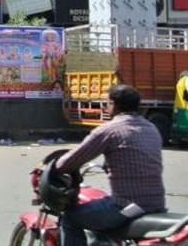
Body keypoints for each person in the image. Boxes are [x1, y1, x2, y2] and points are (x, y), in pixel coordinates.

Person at [56, 84, 166, 246]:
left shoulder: (110, 130)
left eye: (107, 102)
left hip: (126, 206)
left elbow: (67, 163)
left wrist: (53, 167)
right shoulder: (151, 128)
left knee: (71, 218)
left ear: (114, 105)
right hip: (156, 204)